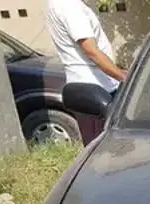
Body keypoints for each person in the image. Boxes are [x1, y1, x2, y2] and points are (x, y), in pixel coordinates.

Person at [47, 0, 128, 144]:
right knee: (104, 149)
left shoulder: (59, 4)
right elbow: (91, 51)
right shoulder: (69, 6)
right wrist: (123, 77)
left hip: (90, 87)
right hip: (95, 91)